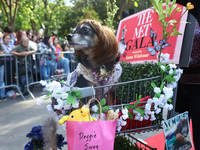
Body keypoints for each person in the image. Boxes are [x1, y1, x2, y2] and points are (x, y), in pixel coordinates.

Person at [175, 22, 200, 150]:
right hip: (179, 83)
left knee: (198, 133)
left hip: (197, 86)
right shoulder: (181, 15)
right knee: (177, 133)